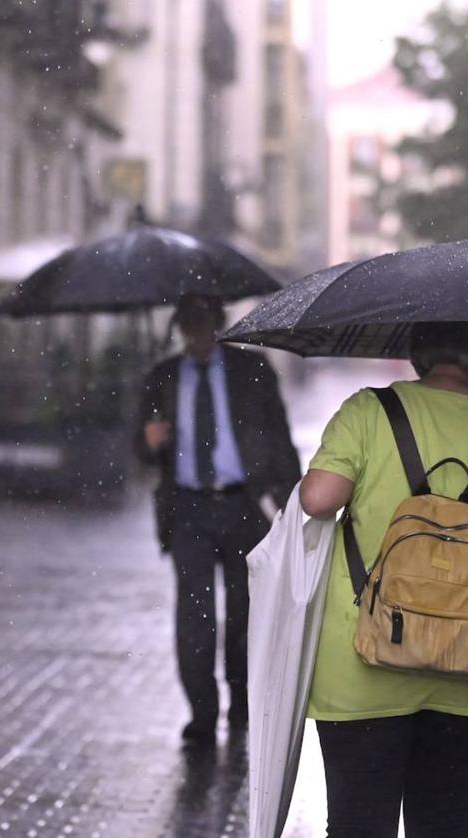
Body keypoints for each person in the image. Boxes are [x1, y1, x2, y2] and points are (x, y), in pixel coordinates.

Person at [299, 321, 468, 838]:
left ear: (418, 354)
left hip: (362, 662)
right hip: (467, 668)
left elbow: (318, 499)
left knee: (358, 824)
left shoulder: (367, 412)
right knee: (443, 821)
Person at [138, 293, 301, 747]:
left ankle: (242, 703)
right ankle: (202, 716)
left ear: (218, 322)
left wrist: (295, 507)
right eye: (187, 323)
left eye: (203, 321)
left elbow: (280, 440)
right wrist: (150, 442)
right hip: (187, 508)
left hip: (242, 505)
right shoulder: (162, 379)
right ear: (178, 326)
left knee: (245, 613)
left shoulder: (252, 372)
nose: (196, 333)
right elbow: (139, 448)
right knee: (195, 616)